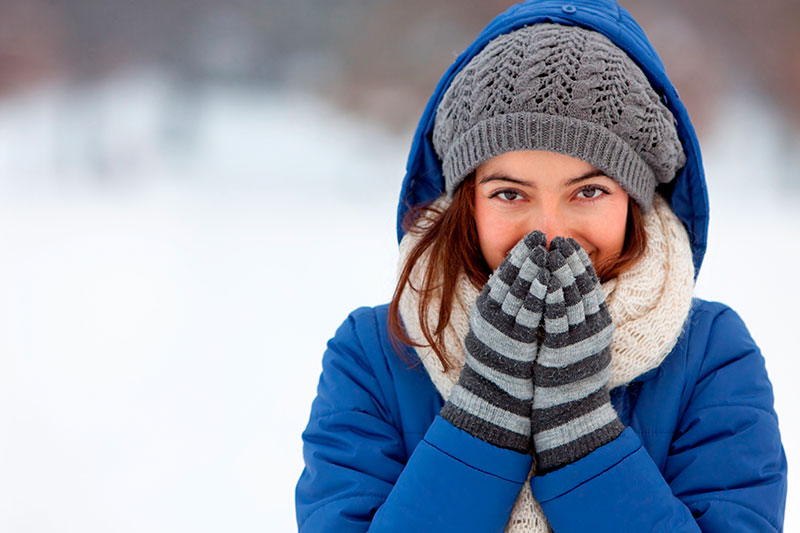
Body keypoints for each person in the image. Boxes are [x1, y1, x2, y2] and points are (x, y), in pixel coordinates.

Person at [295, 0, 788, 531]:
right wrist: (482, 423)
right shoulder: (377, 355)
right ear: (467, 203)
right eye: (510, 193)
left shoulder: (710, 356)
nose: (549, 232)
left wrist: (584, 441)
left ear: (635, 200)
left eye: (589, 191)